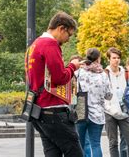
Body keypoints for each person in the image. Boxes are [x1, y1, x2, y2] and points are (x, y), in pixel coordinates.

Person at [25, 11, 83, 156]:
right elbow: (60, 78)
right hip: (54, 110)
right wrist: (73, 66)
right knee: (75, 152)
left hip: (39, 110)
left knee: (52, 153)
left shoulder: (34, 45)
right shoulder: (50, 44)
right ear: (61, 28)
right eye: (68, 34)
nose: (68, 39)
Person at [76, 48, 112, 157]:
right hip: (98, 113)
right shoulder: (103, 75)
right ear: (98, 59)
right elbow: (109, 96)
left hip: (81, 110)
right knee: (95, 144)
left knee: (80, 144)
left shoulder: (79, 73)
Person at [104, 47, 129, 157]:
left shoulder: (126, 74)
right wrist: (108, 107)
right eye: (114, 58)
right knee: (113, 143)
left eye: (118, 58)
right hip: (109, 112)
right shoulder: (104, 74)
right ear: (109, 59)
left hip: (125, 111)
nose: (116, 60)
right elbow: (102, 94)